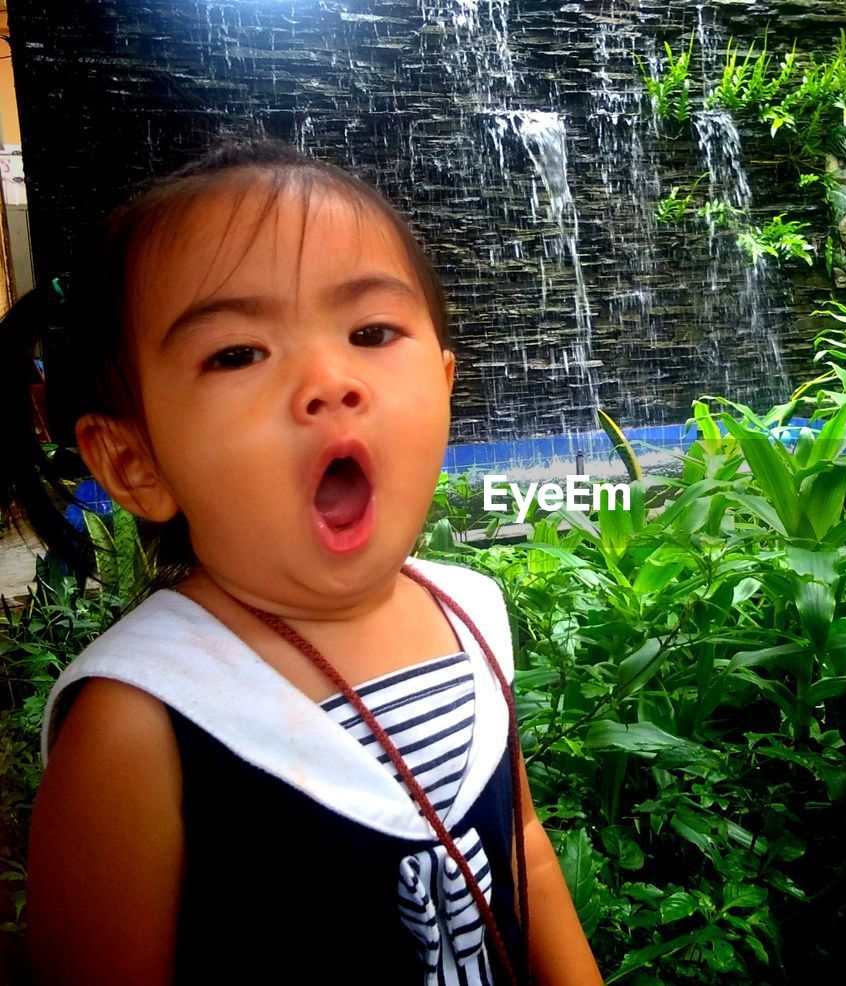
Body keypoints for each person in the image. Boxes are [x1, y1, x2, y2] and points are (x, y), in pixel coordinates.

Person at [0, 137, 603, 985]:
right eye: (237, 353)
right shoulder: (140, 723)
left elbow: (524, 851)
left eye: (371, 331)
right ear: (135, 463)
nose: (330, 380)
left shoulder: (471, 614)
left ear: (444, 385)